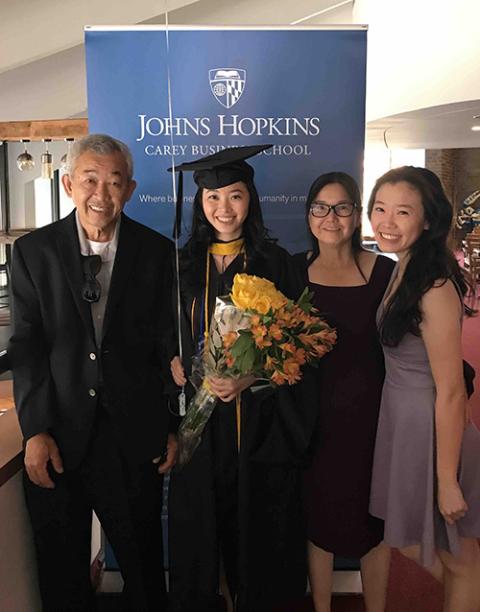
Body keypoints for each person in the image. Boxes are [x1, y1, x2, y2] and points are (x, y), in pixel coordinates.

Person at [9, 134, 176, 612]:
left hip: (132, 438)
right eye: (89, 179)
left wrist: (169, 425)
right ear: (68, 183)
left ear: (131, 188)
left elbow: (168, 345)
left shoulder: (157, 252)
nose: (101, 193)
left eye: (114, 181)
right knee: (61, 575)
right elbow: (27, 346)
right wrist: (35, 430)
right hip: (59, 436)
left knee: (145, 571)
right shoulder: (33, 252)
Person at [168, 145, 317, 612]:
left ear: (250, 199)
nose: (224, 209)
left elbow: (300, 346)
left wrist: (250, 376)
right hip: (200, 429)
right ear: (200, 204)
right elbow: (156, 333)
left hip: (257, 427)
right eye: (213, 198)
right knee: (200, 533)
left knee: (259, 536)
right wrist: (169, 362)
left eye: (235, 196)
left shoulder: (276, 263)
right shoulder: (180, 265)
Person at [368, 166, 480, 611]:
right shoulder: (404, 269)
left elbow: (452, 390)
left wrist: (447, 479)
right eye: (379, 209)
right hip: (403, 422)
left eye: (402, 212)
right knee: (416, 543)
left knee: (459, 558)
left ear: (428, 220)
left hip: (433, 429)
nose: (386, 223)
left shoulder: (433, 285)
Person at [294, 172, 394, 612]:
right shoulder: (293, 271)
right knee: (319, 522)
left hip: (373, 421)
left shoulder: (386, 273)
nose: (330, 217)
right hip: (312, 420)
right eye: (320, 207)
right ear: (309, 215)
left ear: (357, 215)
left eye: (342, 207)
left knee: (375, 524)